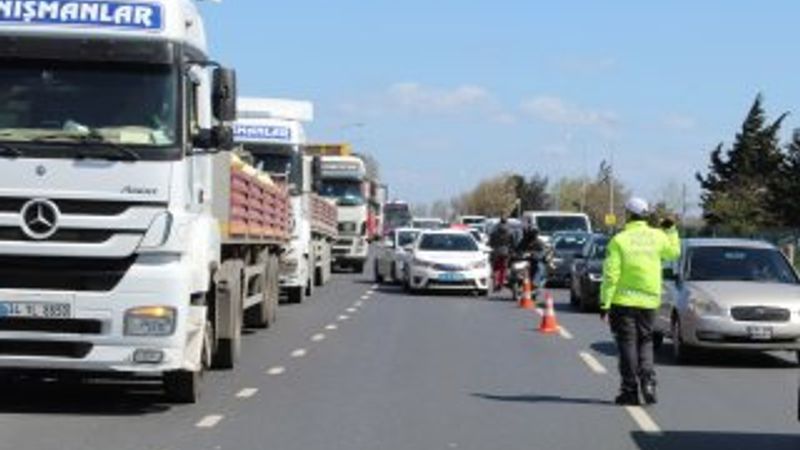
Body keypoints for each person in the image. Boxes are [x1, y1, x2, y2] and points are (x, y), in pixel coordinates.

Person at [600, 197, 680, 406]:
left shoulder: (619, 240)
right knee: (645, 341)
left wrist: (604, 304)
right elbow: (674, 252)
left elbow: (611, 275)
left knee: (627, 343)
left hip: (623, 301)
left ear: (628, 214)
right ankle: (648, 379)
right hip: (649, 301)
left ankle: (629, 390)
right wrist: (670, 230)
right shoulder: (658, 237)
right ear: (646, 215)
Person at [516, 223, 553, 290]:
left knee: (539, 267)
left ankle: (535, 283)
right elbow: (517, 249)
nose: (531, 235)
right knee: (514, 266)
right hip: (523, 260)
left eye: (533, 233)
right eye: (530, 233)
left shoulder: (539, 242)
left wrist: (534, 255)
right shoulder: (523, 241)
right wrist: (515, 254)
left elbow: (542, 252)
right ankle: (513, 279)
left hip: (534, 261)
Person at [488, 217, 514, 291]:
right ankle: (501, 283)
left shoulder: (495, 231)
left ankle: (495, 283)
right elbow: (512, 243)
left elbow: (490, 242)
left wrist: (492, 246)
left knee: (495, 268)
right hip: (506, 252)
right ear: (506, 222)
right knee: (503, 269)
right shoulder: (510, 231)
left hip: (496, 252)